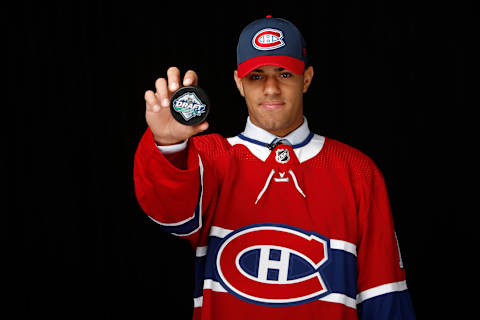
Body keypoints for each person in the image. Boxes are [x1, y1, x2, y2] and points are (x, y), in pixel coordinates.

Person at [134, 16, 416, 320]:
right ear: (238, 83)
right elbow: (170, 213)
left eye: (284, 74)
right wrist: (167, 143)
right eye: (256, 76)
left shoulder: (357, 171)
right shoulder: (211, 157)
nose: (270, 88)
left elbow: (384, 297)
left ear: (306, 79)